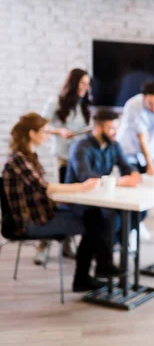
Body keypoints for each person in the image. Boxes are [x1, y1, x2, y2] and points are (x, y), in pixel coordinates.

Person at [2, 113, 123, 292]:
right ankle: (94, 271)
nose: (47, 135)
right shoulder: (19, 160)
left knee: (93, 215)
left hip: (41, 214)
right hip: (30, 223)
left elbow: (42, 190)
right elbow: (45, 188)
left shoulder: (27, 157)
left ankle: (95, 270)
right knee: (94, 221)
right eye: (43, 132)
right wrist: (80, 187)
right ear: (31, 134)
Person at [34, 68, 93, 264]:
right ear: (73, 83)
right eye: (82, 83)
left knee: (76, 203)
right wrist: (59, 131)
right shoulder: (55, 102)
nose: (86, 87)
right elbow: (41, 126)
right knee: (63, 202)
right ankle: (44, 244)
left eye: (87, 84)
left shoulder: (84, 104)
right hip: (64, 158)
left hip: (81, 159)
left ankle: (68, 243)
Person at [65, 109, 141, 244]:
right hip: (81, 201)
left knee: (138, 212)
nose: (116, 132)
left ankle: (109, 249)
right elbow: (85, 176)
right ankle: (105, 253)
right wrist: (118, 182)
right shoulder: (80, 147)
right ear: (98, 128)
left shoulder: (114, 145)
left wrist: (133, 174)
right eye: (111, 128)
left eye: (116, 127)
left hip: (102, 197)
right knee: (114, 220)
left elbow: (126, 166)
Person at [116, 80, 154, 176]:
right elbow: (142, 136)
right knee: (133, 180)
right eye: (150, 103)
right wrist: (149, 163)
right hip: (130, 151)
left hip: (151, 152)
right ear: (143, 98)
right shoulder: (132, 105)